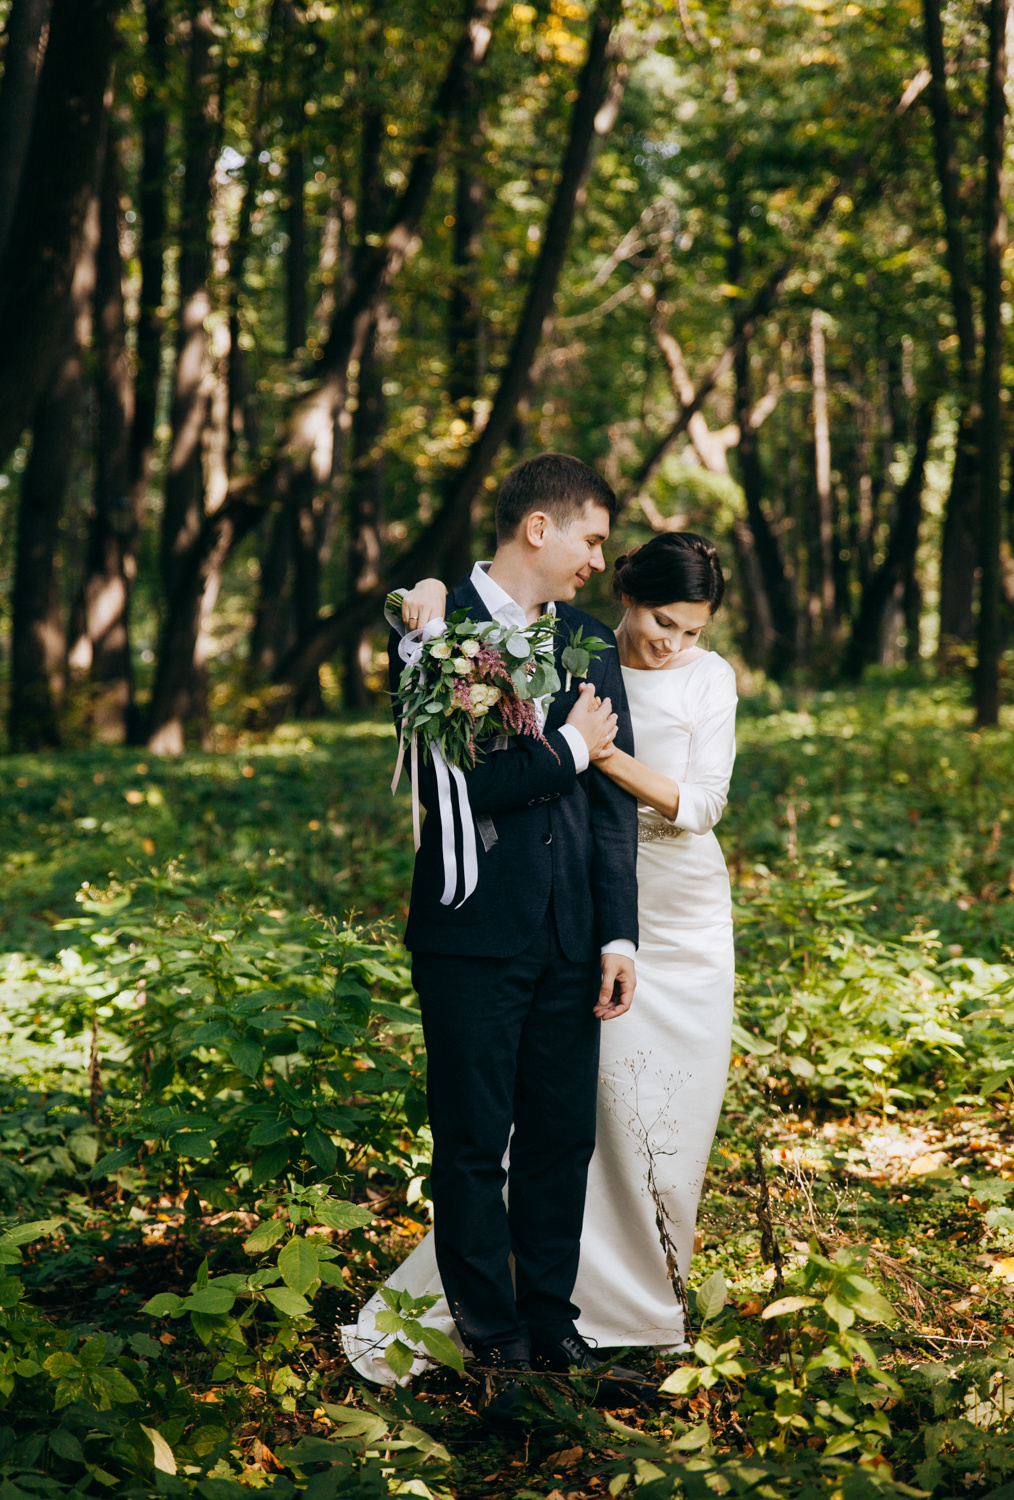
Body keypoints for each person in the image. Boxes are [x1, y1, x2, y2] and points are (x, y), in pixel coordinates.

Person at [342, 529, 737, 1377]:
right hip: (515, 911)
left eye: (693, 631)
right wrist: (428, 595)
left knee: (598, 1131)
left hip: (641, 909)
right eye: (664, 620)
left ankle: (611, 1304)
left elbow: (654, 809)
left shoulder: (628, 659)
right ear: (629, 593)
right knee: (509, 1133)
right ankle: (502, 1334)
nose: (674, 642)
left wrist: (614, 921)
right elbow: (454, 750)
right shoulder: (555, 638)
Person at [366, 453, 645, 1431]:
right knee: (475, 1143)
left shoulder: (585, 638)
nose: (597, 560)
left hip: (573, 933)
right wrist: (565, 746)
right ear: (540, 527)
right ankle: (496, 1344)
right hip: (471, 933)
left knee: (562, 1138)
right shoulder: (432, 631)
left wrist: (620, 932)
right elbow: (457, 787)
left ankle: (552, 1318)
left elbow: (614, 798)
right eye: (593, 538)